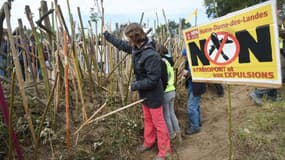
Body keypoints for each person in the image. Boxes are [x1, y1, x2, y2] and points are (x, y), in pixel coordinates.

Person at [103, 23, 171, 160]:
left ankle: (165, 152)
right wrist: (107, 35)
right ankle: (149, 142)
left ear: (134, 38)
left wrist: (135, 86)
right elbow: (122, 45)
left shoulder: (151, 55)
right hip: (144, 94)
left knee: (159, 123)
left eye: (128, 37)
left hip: (154, 95)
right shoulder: (136, 48)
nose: (127, 40)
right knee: (147, 119)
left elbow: (153, 80)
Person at [249, 7, 285, 105]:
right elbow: (281, 33)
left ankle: (272, 96)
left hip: (277, 51)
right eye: (278, 10)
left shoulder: (275, 22)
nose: (280, 11)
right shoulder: (272, 22)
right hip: (273, 52)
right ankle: (257, 93)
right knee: (280, 74)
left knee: (278, 73)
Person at [156, 44, 182, 142]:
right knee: (172, 113)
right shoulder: (169, 61)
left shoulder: (162, 62)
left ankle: (171, 134)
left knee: (166, 114)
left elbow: (163, 78)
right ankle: (178, 133)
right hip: (172, 90)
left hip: (166, 91)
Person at [182, 48, 206, 135]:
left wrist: (187, 74)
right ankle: (198, 122)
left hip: (197, 86)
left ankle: (195, 127)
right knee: (196, 106)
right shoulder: (188, 62)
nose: (184, 58)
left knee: (191, 107)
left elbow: (199, 72)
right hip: (191, 86)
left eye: (185, 56)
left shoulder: (197, 60)